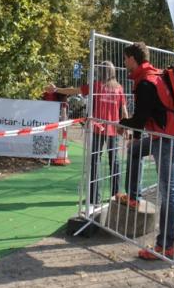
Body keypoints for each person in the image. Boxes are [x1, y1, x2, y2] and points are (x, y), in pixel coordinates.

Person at [118, 42, 174, 260]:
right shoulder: (151, 77)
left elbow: (138, 120)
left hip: (167, 141)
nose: (124, 62)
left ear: (133, 59)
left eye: (125, 58)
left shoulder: (146, 83)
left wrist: (122, 124)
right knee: (135, 150)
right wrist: (135, 136)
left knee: (168, 193)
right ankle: (133, 196)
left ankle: (165, 246)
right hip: (164, 137)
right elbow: (147, 116)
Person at [48, 61, 128, 203]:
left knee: (95, 161)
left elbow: (74, 91)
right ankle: (116, 195)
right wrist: (126, 127)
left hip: (97, 129)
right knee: (114, 162)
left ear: (101, 72)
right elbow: (124, 110)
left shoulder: (96, 85)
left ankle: (94, 197)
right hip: (113, 129)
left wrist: (56, 90)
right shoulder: (119, 88)